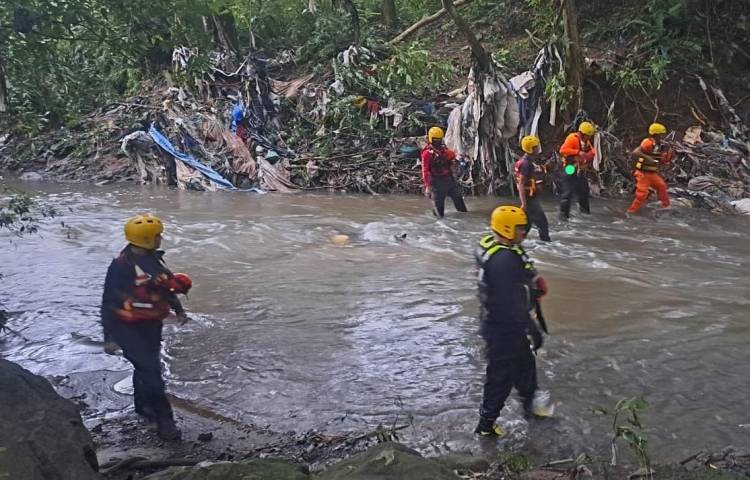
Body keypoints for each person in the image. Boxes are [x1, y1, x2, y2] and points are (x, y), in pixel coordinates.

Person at [101, 214, 192, 441]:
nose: (161, 238)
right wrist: (109, 337)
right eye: (157, 236)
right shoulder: (121, 266)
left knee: (146, 367)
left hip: (150, 324)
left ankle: (143, 408)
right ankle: (165, 423)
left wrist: (179, 310)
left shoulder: (155, 260)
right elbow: (108, 300)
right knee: (152, 373)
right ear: (147, 239)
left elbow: (166, 288)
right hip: (126, 326)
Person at [475, 206, 550, 437]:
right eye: (520, 229)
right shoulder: (503, 260)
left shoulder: (493, 242)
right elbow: (509, 303)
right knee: (500, 376)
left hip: (504, 322)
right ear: (507, 229)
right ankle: (486, 425)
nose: (524, 234)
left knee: (526, 365)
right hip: (502, 326)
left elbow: (519, 265)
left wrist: (533, 277)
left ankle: (530, 406)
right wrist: (532, 328)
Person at [421, 126, 468, 218]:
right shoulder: (443, 152)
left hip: (440, 182)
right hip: (445, 181)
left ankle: (440, 225)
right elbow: (453, 156)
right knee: (457, 204)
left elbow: (425, 171)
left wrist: (427, 186)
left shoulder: (428, 153)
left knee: (440, 212)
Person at [626, 123, 673, 214]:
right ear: (656, 135)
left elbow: (660, 160)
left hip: (652, 173)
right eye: (661, 135)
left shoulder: (659, 145)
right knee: (642, 194)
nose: (663, 136)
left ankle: (666, 207)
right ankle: (631, 212)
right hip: (643, 174)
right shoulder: (647, 143)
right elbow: (635, 152)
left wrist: (666, 158)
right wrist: (648, 158)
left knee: (662, 186)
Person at [515, 135, 551, 241]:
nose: (537, 149)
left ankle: (516, 242)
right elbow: (521, 183)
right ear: (531, 149)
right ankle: (547, 246)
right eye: (535, 147)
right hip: (529, 199)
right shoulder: (526, 164)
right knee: (542, 223)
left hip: (531, 197)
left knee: (527, 225)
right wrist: (524, 203)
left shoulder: (528, 161)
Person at [558, 121, 597, 220]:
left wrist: (588, 156)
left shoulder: (586, 141)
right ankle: (563, 217)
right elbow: (562, 150)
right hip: (569, 168)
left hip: (579, 169)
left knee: (584, 191)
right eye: (588, 135)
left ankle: (585, 214)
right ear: (583, 134)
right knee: (568, 193)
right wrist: (578, 152)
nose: (590, 137)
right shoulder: (573, 138)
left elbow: (592, 152)